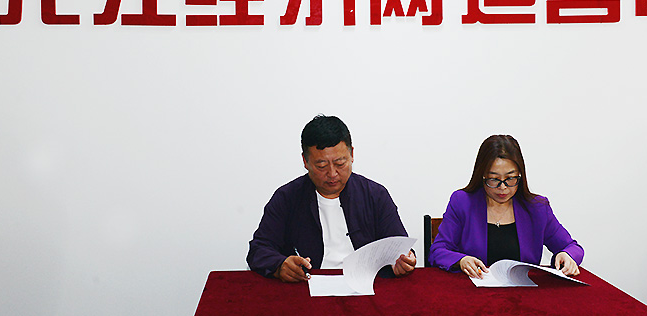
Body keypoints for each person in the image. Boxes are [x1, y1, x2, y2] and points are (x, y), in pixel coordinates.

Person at [246, 114, 416, 282]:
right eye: (321, 166)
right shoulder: (287, 198)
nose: (332, 173)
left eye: (340, 163)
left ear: (352, 155)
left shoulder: (375, 195)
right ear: (305, 161)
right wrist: (280, 265)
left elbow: (399, 246)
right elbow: (258, 250)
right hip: (308, 286)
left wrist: (404, 260)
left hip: (366, 285)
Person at [428, 135, 583, 278]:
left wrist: (566, 255)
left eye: (510, 178)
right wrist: (461, 260)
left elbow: (572, 247)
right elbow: (437, 251)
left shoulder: (537, 208)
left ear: (520, 175)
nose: (502, 187)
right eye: (494, 179)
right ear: (482, 175)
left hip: (524, 293)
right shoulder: (462, 202)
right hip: (474, 290)